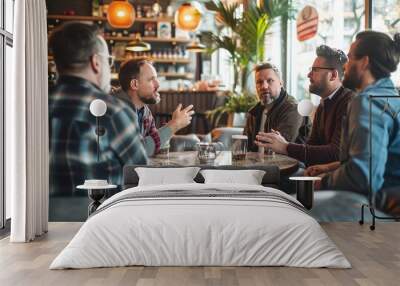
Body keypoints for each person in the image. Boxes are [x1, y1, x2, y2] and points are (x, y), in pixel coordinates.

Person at [306, 31, 400, 218]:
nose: (345, 66)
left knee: (298, 212)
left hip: (379, 208)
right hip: (386, 198)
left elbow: (363, 175)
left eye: (349, 58)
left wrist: (323, 183)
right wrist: (332, 168)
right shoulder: (390, 97)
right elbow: (376, 160)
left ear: (364, 62)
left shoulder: (368, 102)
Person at [49, 22, 148, 196]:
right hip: (102, 219)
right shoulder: (113, 111)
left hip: (36, 220)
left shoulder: (31, 106)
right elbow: (142, 176)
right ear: (96, 62)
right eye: (108, 61)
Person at [255, 45, 354, 166]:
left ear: (333, 75)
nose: (308, 75)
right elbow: (312, 147)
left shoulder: (348, 102)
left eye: (315, 70)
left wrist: (286, 147)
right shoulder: (323, 104)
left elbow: (336, 153)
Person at [115, 59, 195, 156]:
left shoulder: (144, 110)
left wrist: (172, 125)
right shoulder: (118, 110)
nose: (158, 85)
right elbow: (137, 151)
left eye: (156, 79)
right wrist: (174, 125)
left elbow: (154, 143)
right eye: (151, 80)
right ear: (134, 84)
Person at [243, 63, 306, 152]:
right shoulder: (254, 112)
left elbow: (279, 150)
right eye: (259, 82)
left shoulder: (293, 108)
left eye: (270, 80)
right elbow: (246, 146)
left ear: (281, 83)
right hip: (257, 162)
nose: (264, 86)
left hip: (289, 164)